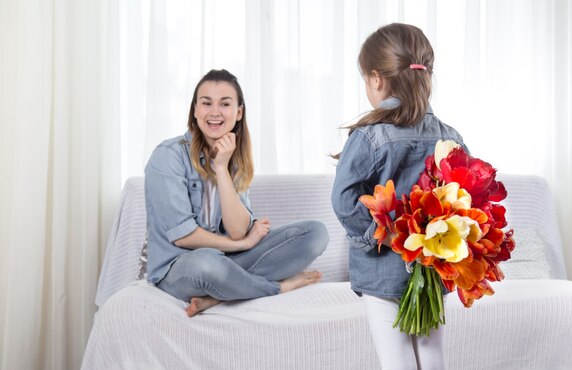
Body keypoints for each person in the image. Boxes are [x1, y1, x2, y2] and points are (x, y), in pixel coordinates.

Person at [331, 23, 468, 370]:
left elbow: (344, 199)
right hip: (432, 268)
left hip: (381, 272)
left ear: (376, 79)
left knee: (396, 361)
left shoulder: (369, 136)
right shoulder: (450, 135)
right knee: (432, 357)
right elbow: (464, 198)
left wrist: (385, 235)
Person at [145, 69, 329, 317]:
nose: (215, 112)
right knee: (207, 263)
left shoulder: (233, 159)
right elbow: (183, 236)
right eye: (206, 103)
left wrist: (221, 168)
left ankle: (217, 296)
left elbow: (237, 229)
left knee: (315, 233)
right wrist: (242, 244)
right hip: (180, 269)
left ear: (238, 112)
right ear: (195, 110)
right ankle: (274, 287)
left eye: (225, 103)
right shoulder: (168, 155)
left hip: (225, 262)